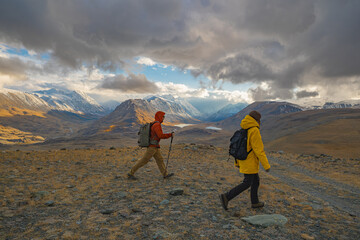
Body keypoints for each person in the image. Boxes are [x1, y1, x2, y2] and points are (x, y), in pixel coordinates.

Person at [220, 110, 271, 210]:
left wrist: (237, 162)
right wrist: (266, 165)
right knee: (247, 182)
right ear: (257, 120)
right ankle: (226, 196)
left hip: (244, 160)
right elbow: (259, 150)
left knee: (255, 181)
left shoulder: (244, 127)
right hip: (250, 162)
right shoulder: (254, 130)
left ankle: (255, 202)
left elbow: (239, 146)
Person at [127, 111, 174, 180]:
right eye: (163, 116)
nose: (164, 118)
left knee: (160, 160)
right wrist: (170, 135)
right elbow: (160, 135)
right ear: (160, 116)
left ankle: (165, 174)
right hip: (152, 147)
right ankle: (130, 173)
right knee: (144, 160)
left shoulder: (154, 123)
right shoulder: (157, 125)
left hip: (155, 147)